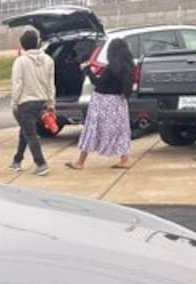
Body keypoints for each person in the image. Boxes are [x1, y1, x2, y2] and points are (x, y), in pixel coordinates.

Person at [66, 37, 134, 170]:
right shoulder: (128, 67)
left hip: (102, 101)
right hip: (119, 102)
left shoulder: (111, 68)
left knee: (92, 129)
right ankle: (124, 160)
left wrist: (87, 71)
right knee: (122, 131)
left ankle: (80, 162)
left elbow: (98, 83)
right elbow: (128, 89)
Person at [9, 30, 56, 176]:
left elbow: (17, 84)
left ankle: (41, 164)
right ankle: (17, 160)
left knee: (30, 134)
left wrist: (14, 102)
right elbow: (50, 84)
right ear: (37, 43)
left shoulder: (20, 61)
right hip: (41, 101)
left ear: (22, 45)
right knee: (26, 131)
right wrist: (51, 103)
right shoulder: (48, 60)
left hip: (25, 103)